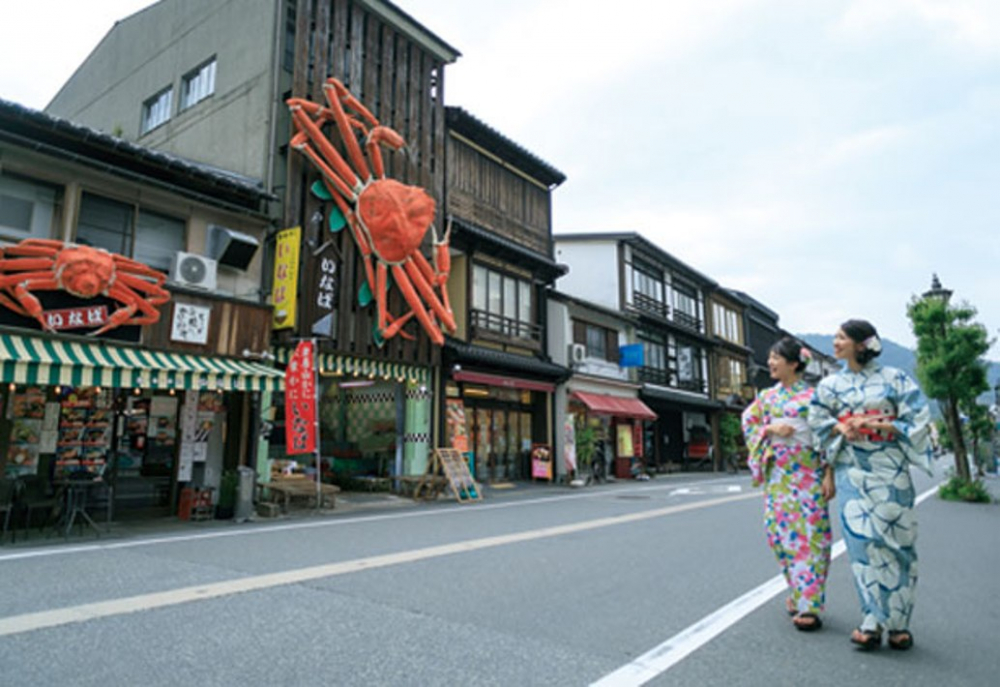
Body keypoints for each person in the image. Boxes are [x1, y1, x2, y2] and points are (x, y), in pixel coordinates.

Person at [808, 319, 932, 651]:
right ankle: (871, 620)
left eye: (841, 337)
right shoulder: (830, 385)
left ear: (862, 344)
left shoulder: (896, 378)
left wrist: (881, 424)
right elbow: (817, 420)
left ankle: (900, 623)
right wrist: (840, 428)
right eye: (834, 336)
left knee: (896, 544)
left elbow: (918, 419)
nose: (835, 342)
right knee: (861, 545)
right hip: (852, 470)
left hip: (889, 469)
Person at [741, 337, 834, 632]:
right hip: (779, 475)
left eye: (775, 358)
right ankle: (797, 591)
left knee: (811, 537)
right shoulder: (767, 398)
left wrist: (829, 473)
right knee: (779, 536)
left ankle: (810, 605)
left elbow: (827, 436)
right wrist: (770, 428)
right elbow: (749, 421)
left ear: (793, 363)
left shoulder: (814, 397)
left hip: (808, 473)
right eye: (769, 357)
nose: (770, 362)